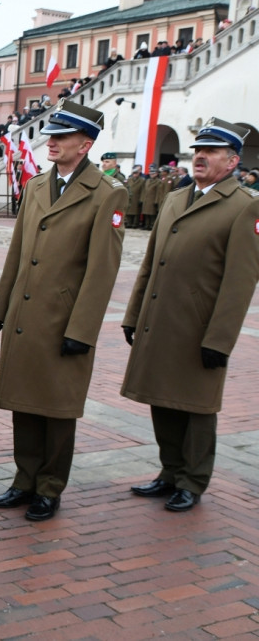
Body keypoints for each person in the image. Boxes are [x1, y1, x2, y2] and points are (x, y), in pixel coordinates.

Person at [0, 99, 127, 522]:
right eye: (53, 134)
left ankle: (49, 488)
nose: (53, 142)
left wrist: (82, 330)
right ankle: (23, 480)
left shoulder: (107, 194)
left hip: (63, 321)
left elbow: (102, 271)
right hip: (26, 318)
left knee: (57, 409)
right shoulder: (35, 186)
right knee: (23, 402)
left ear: (85, 144)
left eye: (62, 137)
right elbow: (17, 254)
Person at [120, 119, 259, 512]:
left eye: (211, 151)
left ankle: (192, 481)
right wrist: (134, 314)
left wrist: (219, 339)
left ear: (232, 162)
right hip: (161, 318)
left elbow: (240, 282)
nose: (200, 156)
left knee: (196, 406)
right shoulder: (176, 199)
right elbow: (150, 263)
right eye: (198, 149)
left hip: (200, 326)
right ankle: (169, 471)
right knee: (160, 398)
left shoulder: (245, 205)